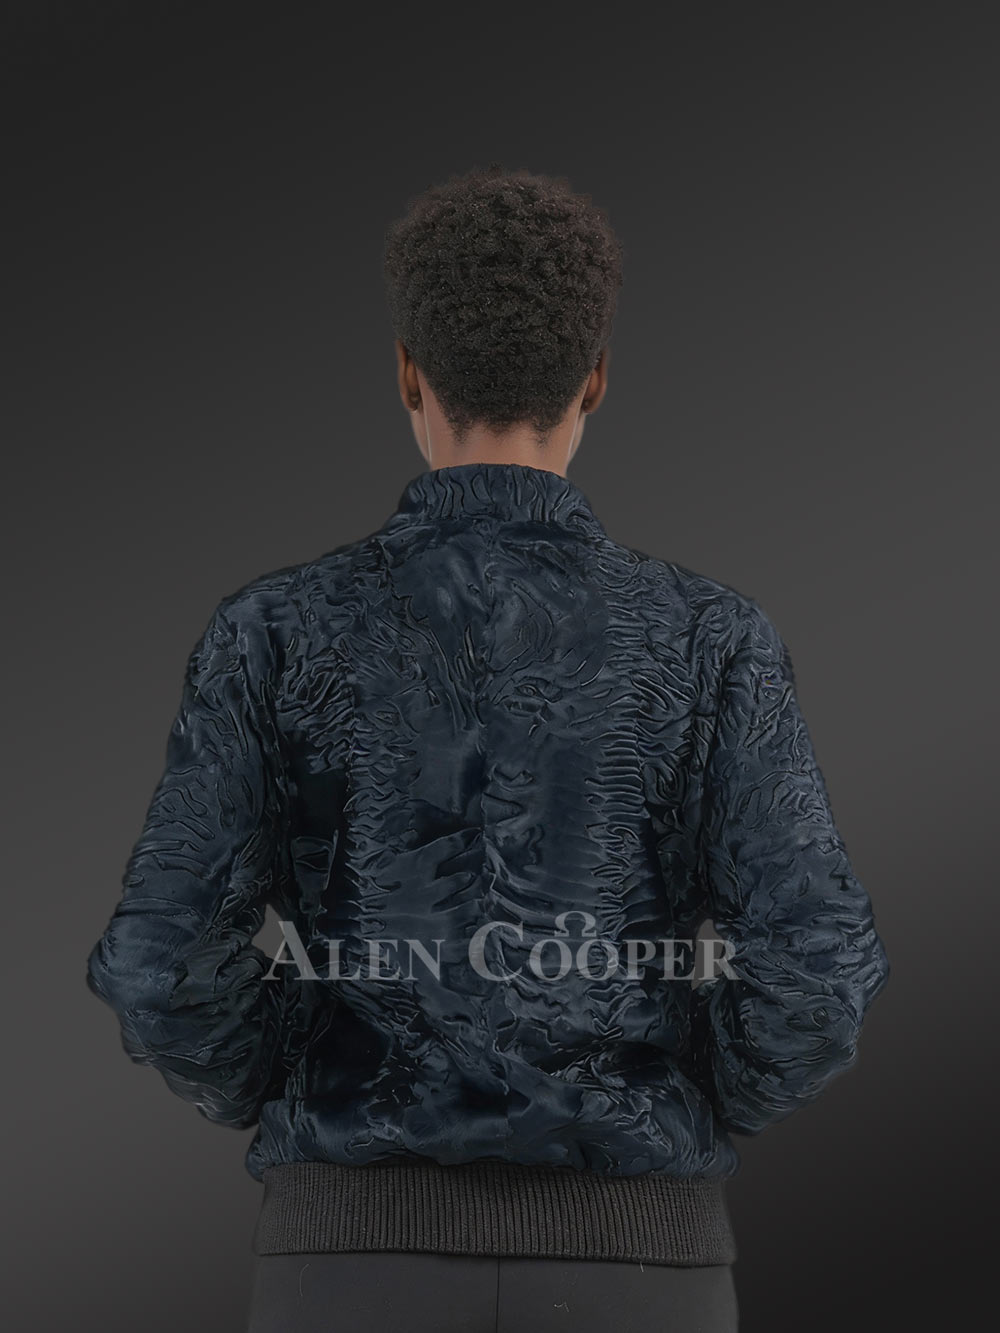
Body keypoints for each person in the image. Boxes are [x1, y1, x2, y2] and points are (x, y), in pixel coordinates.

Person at [86, 164, 890, 1333]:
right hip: (638, 1273)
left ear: (407, 372)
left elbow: (163, 961)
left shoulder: (276, 628)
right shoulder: (712, 637)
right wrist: (673, 1090)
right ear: (595, 378)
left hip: (348, 1265)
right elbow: (816, 967)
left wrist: (303, 1066)